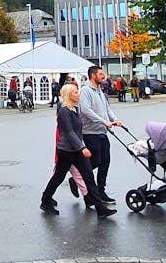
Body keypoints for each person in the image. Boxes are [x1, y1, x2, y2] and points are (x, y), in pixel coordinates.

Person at [39, 84, 115, 218]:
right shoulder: (64, 111)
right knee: (58, 177)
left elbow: (79, 131)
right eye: (75, 92)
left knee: (88, 177)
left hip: (77, 150)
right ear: (69, 95)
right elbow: (69, 133)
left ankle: (100, 208)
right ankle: (45, 200)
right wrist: (83, 147)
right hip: (66, 151)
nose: (78, 94)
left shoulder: (76, 109)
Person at [78, 66, 123, 204]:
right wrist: (104, 121)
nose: (103, 76)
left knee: (105, 162)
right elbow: (86, 110)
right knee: (95, 161)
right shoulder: (86, 91)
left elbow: (106, 108)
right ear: (93, 76)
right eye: (100, 74)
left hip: (102, 132)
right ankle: (78, 179)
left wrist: (114, 119)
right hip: (90, 133)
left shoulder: (100, 91)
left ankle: (101, 191)